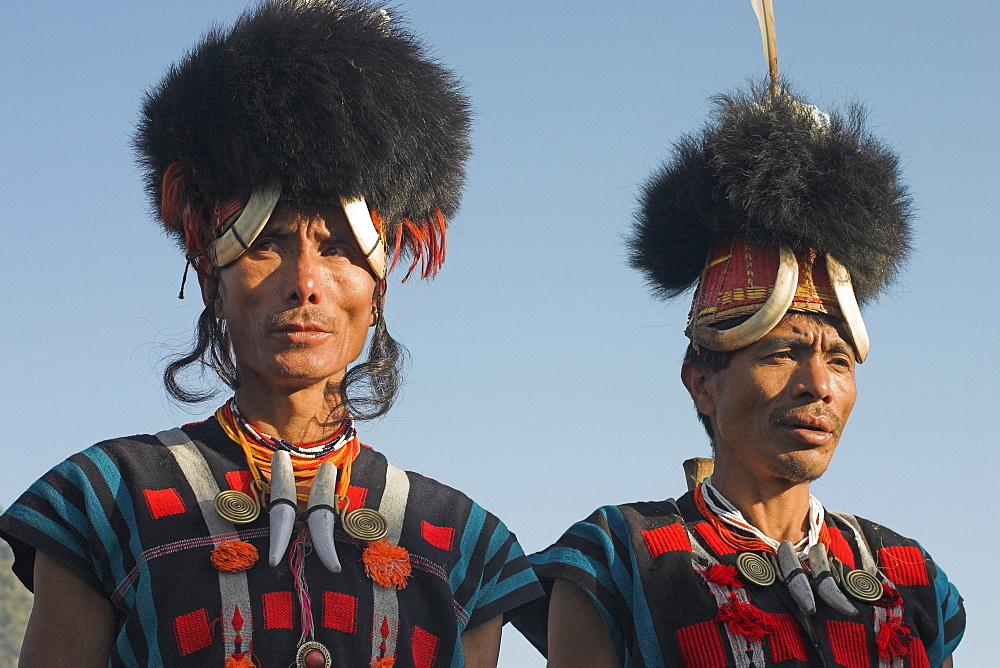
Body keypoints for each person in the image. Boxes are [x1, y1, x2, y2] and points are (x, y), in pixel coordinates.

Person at [0, 2, 541, 666]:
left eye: (339, 249)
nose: (305, 282)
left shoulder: (463, 543)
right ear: (211, 277)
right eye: (269, 243)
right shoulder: (104, 502)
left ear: (377, 291)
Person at [513, 83, 965, 666]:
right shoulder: (616, 559)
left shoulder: (910, 576)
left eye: (839, 361)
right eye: (781, 354)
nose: (819, 386)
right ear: (703, 383)